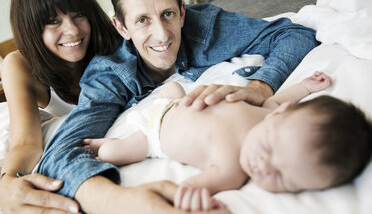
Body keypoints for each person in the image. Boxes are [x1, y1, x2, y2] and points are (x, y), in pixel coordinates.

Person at [35, 0, 320, 213]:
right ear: (121, 27)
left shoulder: (206, 26)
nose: (161, 35)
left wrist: (261, 85)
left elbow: (294, 34)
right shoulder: (107, 75)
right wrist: (124, 202)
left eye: (168, 14)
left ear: (183, 12)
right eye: (142, 20)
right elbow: (59, 155)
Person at [84, 71, 372, 211]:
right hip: (177, 102)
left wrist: (195, 199)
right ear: (279, 117)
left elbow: (189, 189)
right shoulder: (269, 111)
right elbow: (281, 98)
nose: (262, 165)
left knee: (113, 150)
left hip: (153, 137)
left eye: (282, 177)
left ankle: (96, 145)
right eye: (270, 147)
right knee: (171, 85)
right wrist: (307, 85)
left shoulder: (231, 171)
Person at [0, 0, 121, 213]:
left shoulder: (108, 42)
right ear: (32, 29)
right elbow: (25, 142)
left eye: (78, 16)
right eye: (54, 21)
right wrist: (7, 180)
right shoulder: (18, 64)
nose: (73, 30)